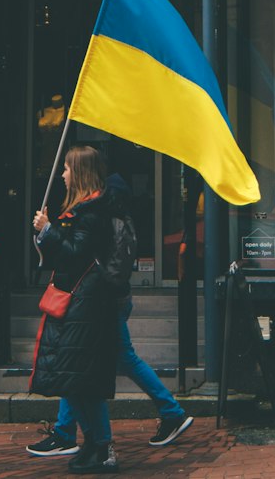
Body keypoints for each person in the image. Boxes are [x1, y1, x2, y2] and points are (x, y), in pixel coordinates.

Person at [28, 174, 193, 456]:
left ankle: (170, 412)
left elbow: (97, 263)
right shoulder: (115, 216)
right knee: (79, 360)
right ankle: (66, 430)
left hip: (105, 303)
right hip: (110, 301)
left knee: (89, 359)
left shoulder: (107, 219)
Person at [29, 145, 120, 474]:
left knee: (79, 380)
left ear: (79, 173)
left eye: (67, 169)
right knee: (77, 380)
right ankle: (95, 444)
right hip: (76, 303)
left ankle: (100, 446)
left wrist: (48, 232)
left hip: (84, 306)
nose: (63, 175)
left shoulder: (91, 213)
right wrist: (47, 235)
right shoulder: (83, 210)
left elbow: (75, 253)